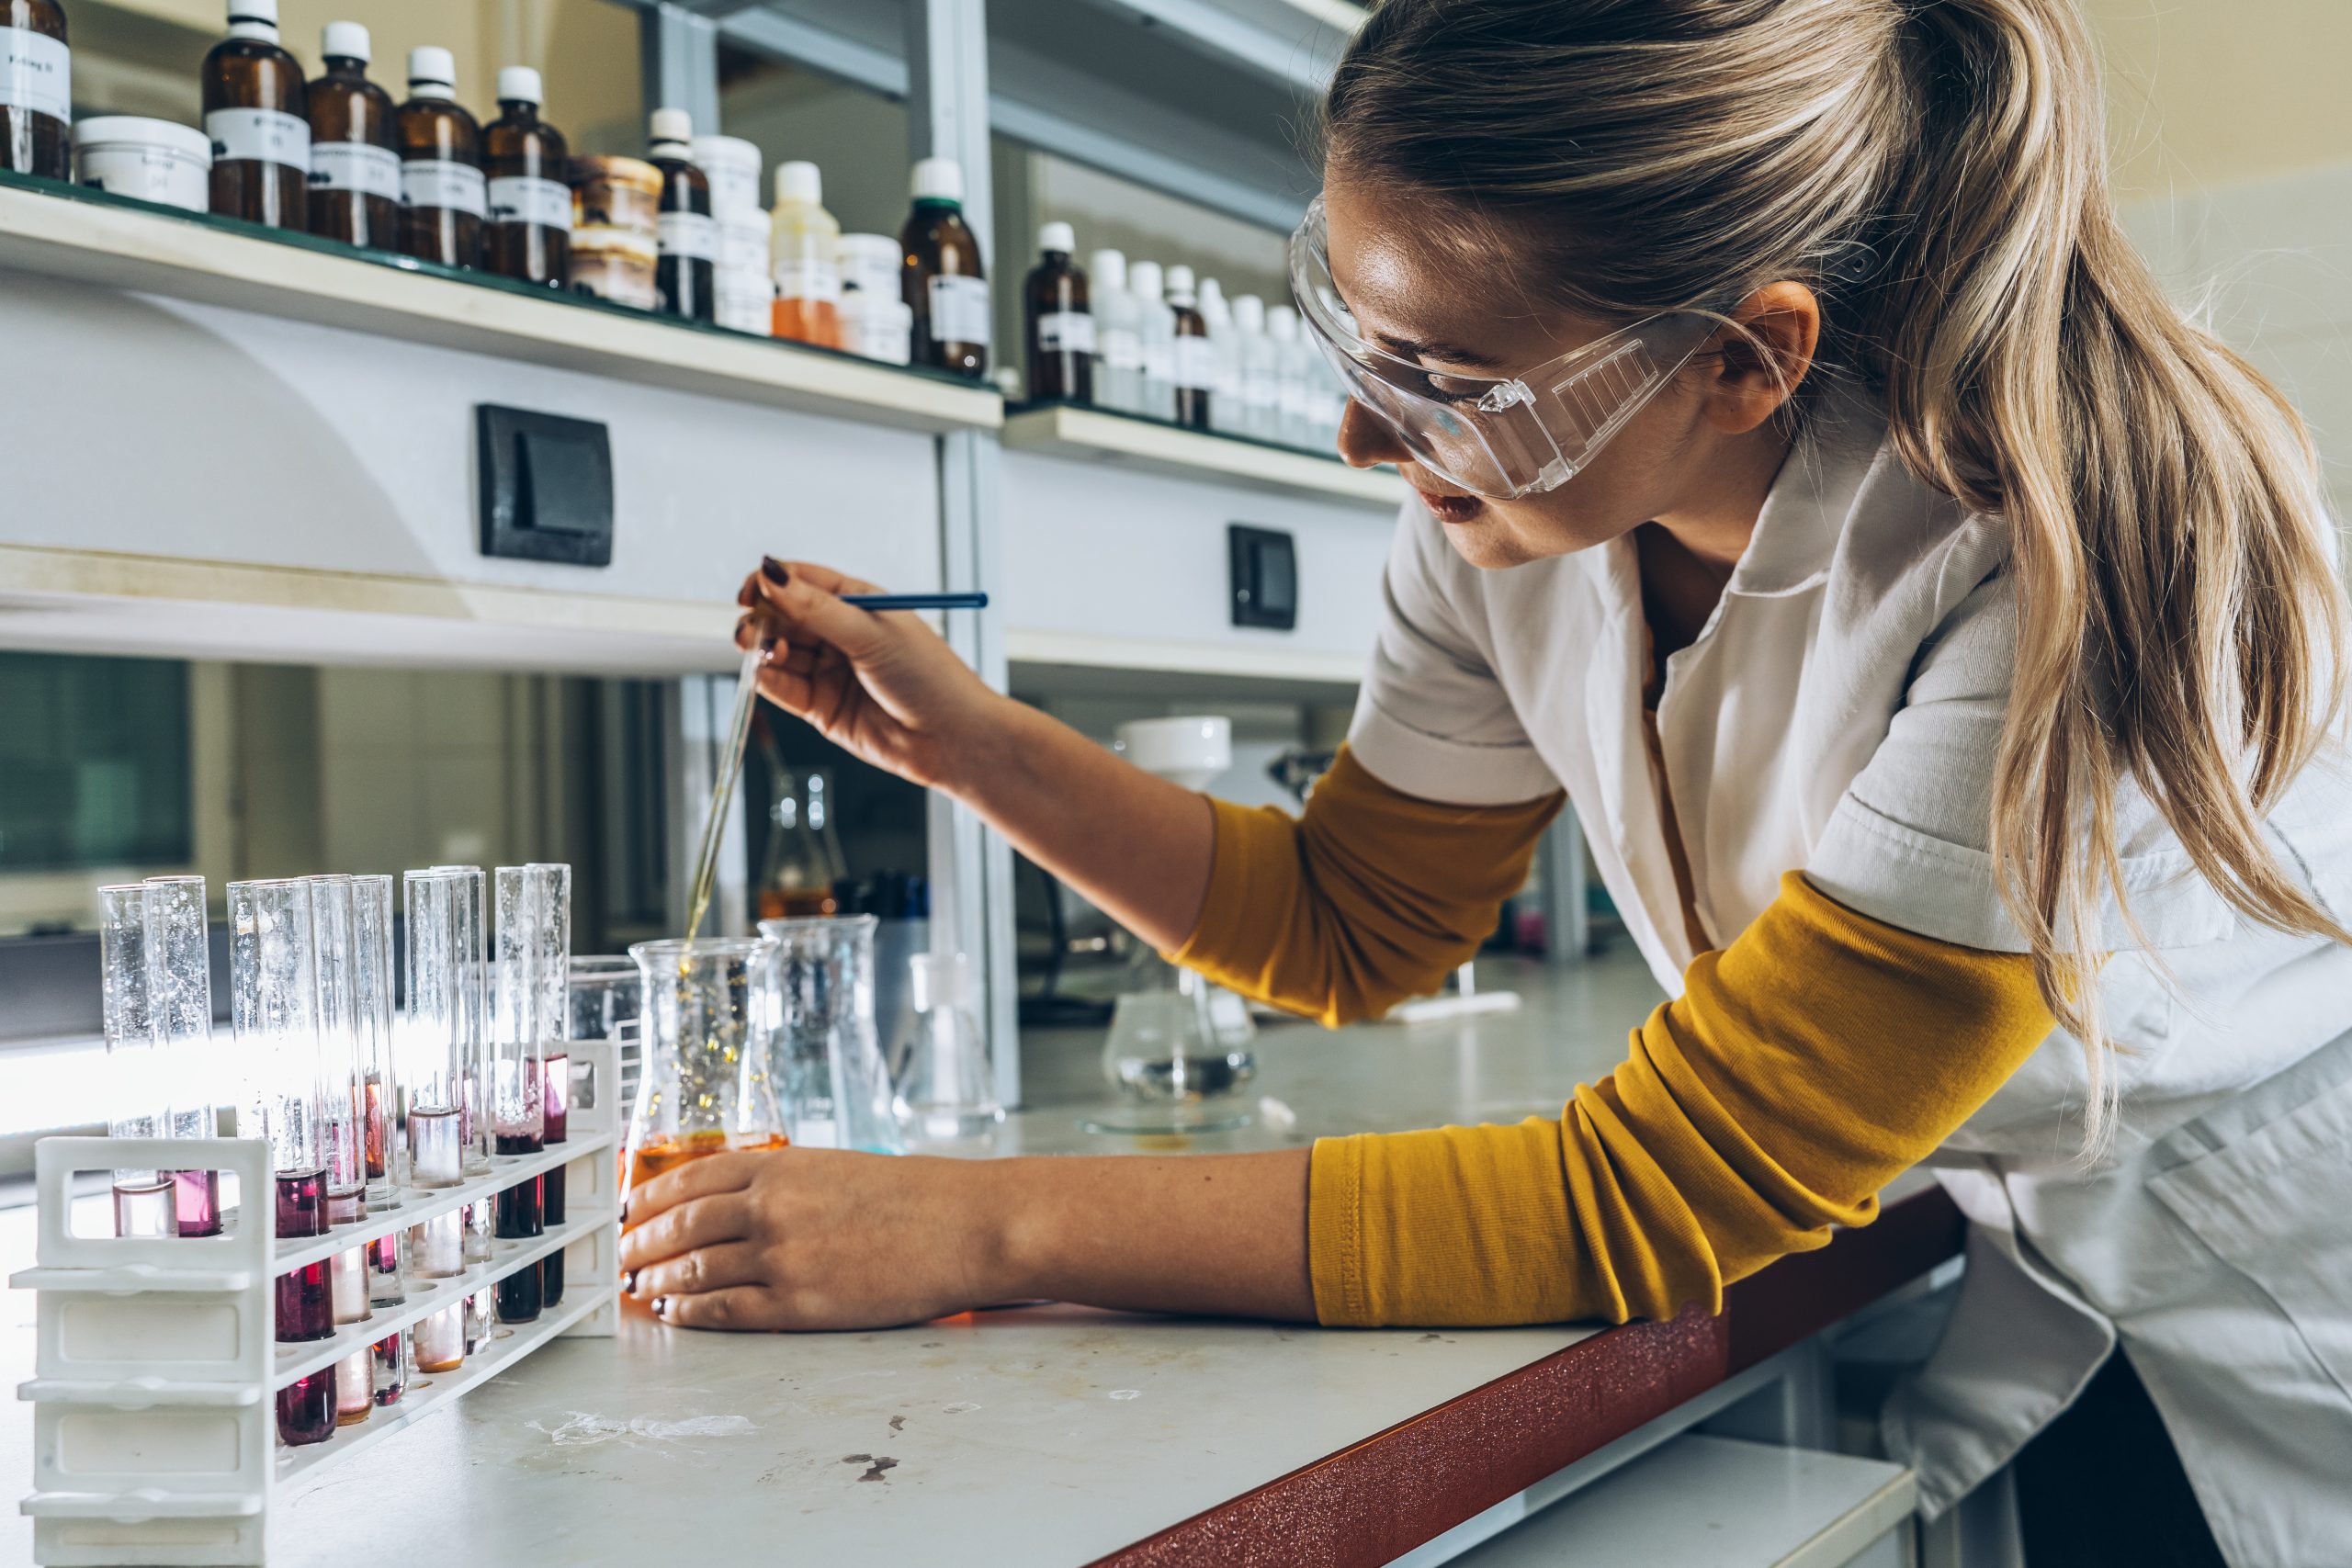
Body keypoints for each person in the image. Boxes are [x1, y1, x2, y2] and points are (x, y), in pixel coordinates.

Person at [617, 1, 2352, 1561]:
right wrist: (965, 742)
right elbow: (1353, 919)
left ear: (1749, 356)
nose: (1371, 442)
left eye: (1446, 381)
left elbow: (1651, 1192)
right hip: (1995, 1209)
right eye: (1363, 348)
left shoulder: (2061, 558)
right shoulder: (1515, 497)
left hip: (2275, 1243)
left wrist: (978, 1234)